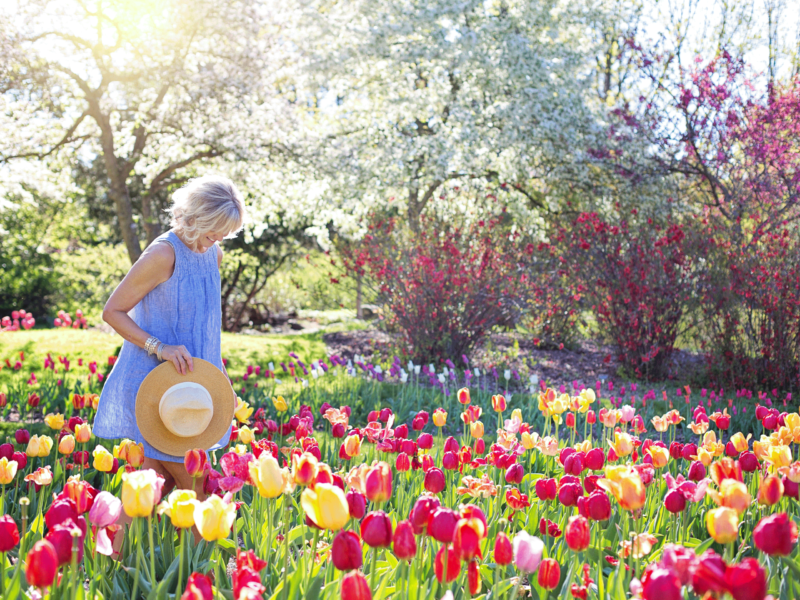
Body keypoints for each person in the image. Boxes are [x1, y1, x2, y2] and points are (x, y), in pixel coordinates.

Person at [94, 174, 245, 544]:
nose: (221, 238)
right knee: (202, 493)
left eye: (227, 231)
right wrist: (159, 348)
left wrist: (218, 379)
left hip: (193, 389)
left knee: (147, 488)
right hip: (158, 390)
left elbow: (204, 327)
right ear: (194, 218)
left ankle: (105, 564)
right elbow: (113, 311)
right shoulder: (163, 254)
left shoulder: (213, 253)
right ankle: (215, 575)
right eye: (216, 230)